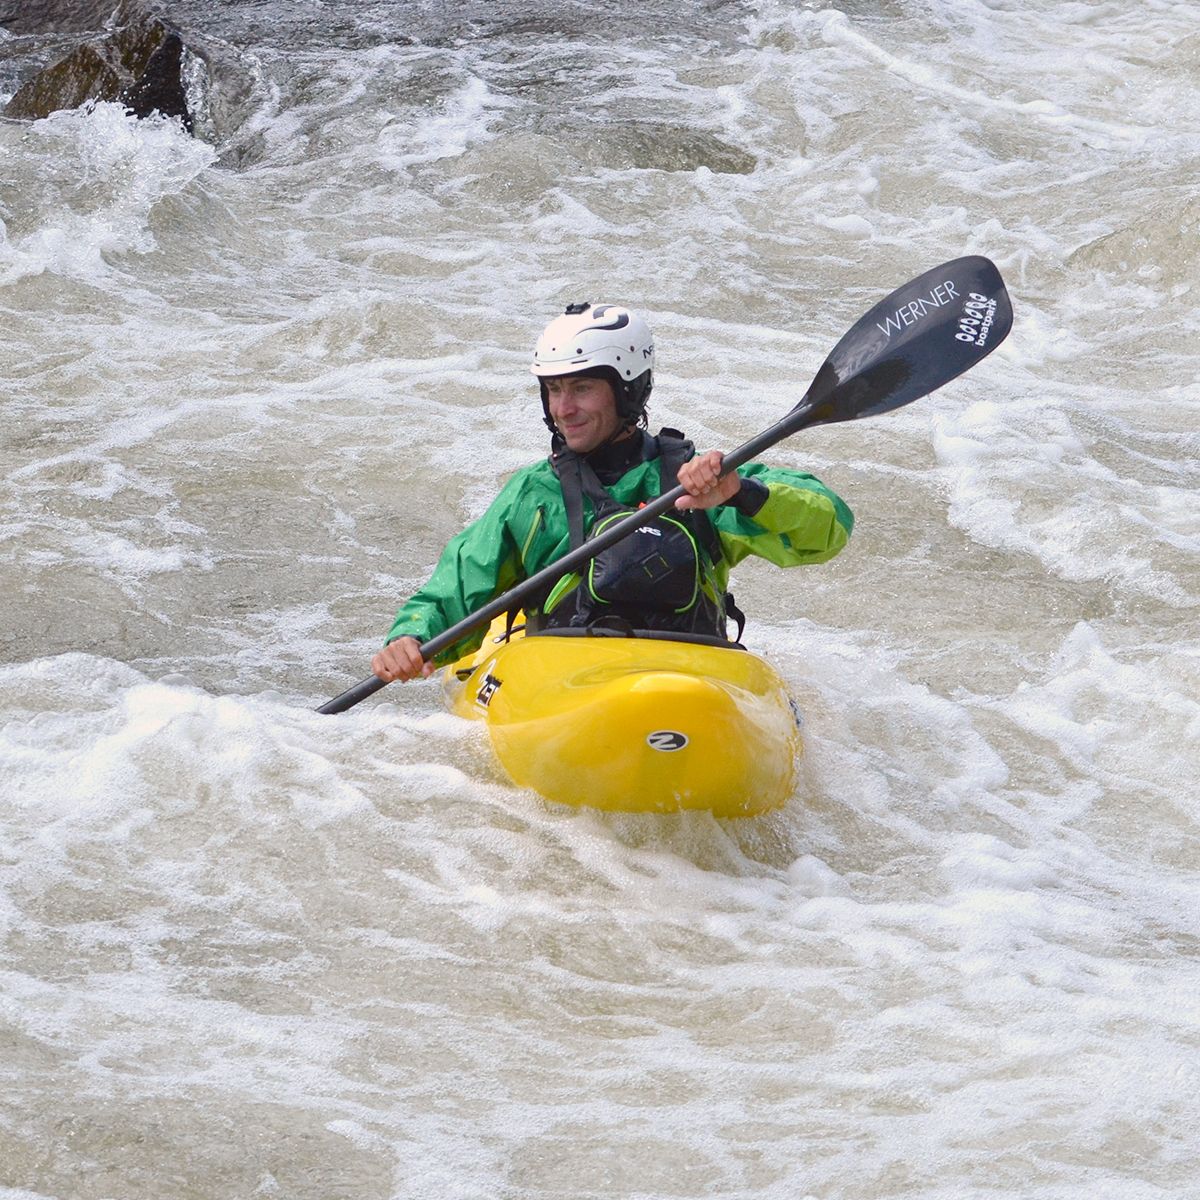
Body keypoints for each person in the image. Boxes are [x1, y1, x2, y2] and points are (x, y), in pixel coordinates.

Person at [371, 302, 853, 683]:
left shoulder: (699, 480)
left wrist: (739, 492)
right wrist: (412, 638)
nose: (564, 408)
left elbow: (828, 527)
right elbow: (459, 584)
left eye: (581, 388)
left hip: (687, 674)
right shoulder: (534, 494)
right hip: (569, 680)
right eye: (554, 391)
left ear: (627, 391)